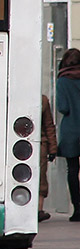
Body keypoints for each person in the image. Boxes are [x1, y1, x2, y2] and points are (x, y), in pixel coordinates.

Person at [57, 48, 80, 222]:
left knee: (72, 171)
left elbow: (63, 107)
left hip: (71, 130)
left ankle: (77, 209)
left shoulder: (63, 81)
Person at [40, 94, 58, 221]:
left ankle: (38, 210)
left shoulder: (43, 100)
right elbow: (49, 126)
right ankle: (39, 210)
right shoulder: (43, 100)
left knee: (40, 178)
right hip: (40, 144)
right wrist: (52, 149)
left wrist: (52, 148)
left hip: (39, 144)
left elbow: (49, 126)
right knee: (41, 177)